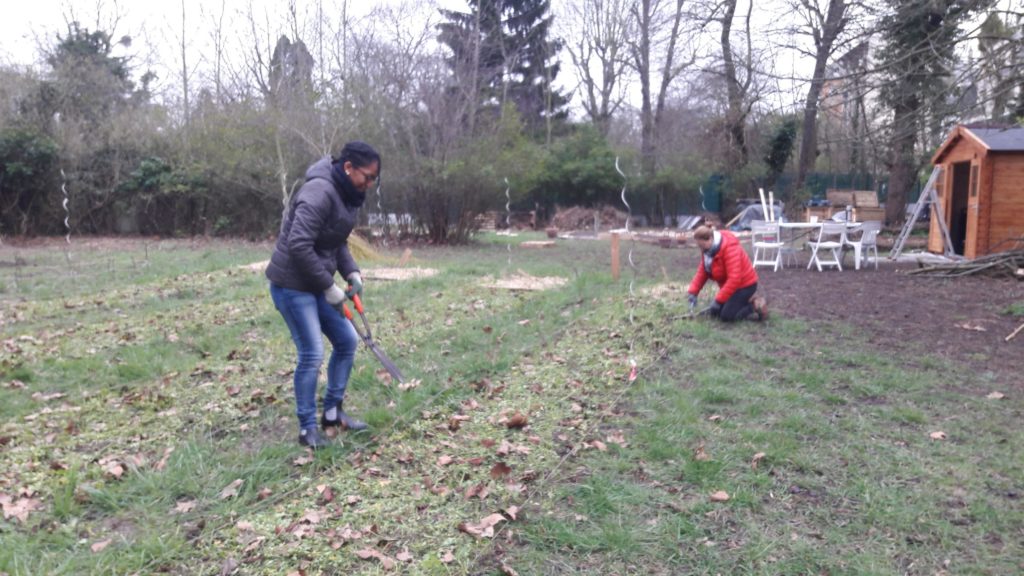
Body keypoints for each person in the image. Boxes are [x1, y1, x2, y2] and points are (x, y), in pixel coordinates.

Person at [265, 141, 381, 449]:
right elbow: (298, 244)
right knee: (312, 353)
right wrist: (330, 287)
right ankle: (307, 429)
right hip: (291, 284)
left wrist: (352, 273)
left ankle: (332, 414)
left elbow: (336, 241)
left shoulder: (348, 195)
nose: (369, 184)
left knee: (347, 341)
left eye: (374, 179)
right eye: (366, 177)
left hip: (315, 283)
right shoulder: (319, 192)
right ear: (347, 168)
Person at [686, 225, 768, 322]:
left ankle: (754, 306)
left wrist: (718, 300)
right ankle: (742, 302)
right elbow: (703, 271)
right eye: (699, 246)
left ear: (710, 239)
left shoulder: (730, 249)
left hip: (745, 285)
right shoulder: (709, 251)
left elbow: (734, 279)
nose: (701, 249)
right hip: (731, 286)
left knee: (726, 316)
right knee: (716, 312)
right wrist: (693, 292)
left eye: (702, 246)